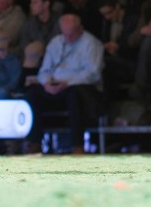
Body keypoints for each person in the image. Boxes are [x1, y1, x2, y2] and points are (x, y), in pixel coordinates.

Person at [22, 14, 103, 155]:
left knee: (75, 96)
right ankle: (35, 143)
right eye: (65, 34)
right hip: (55, 85)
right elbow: (44, 71)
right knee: (32, 95)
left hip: (79, 86)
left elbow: (92, 73)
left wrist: (68, 83)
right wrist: (47, 83)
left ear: (80, 28)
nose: (68, 38)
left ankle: (77, 145)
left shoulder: (91, 43)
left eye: (72, 34)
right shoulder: (56, 43)